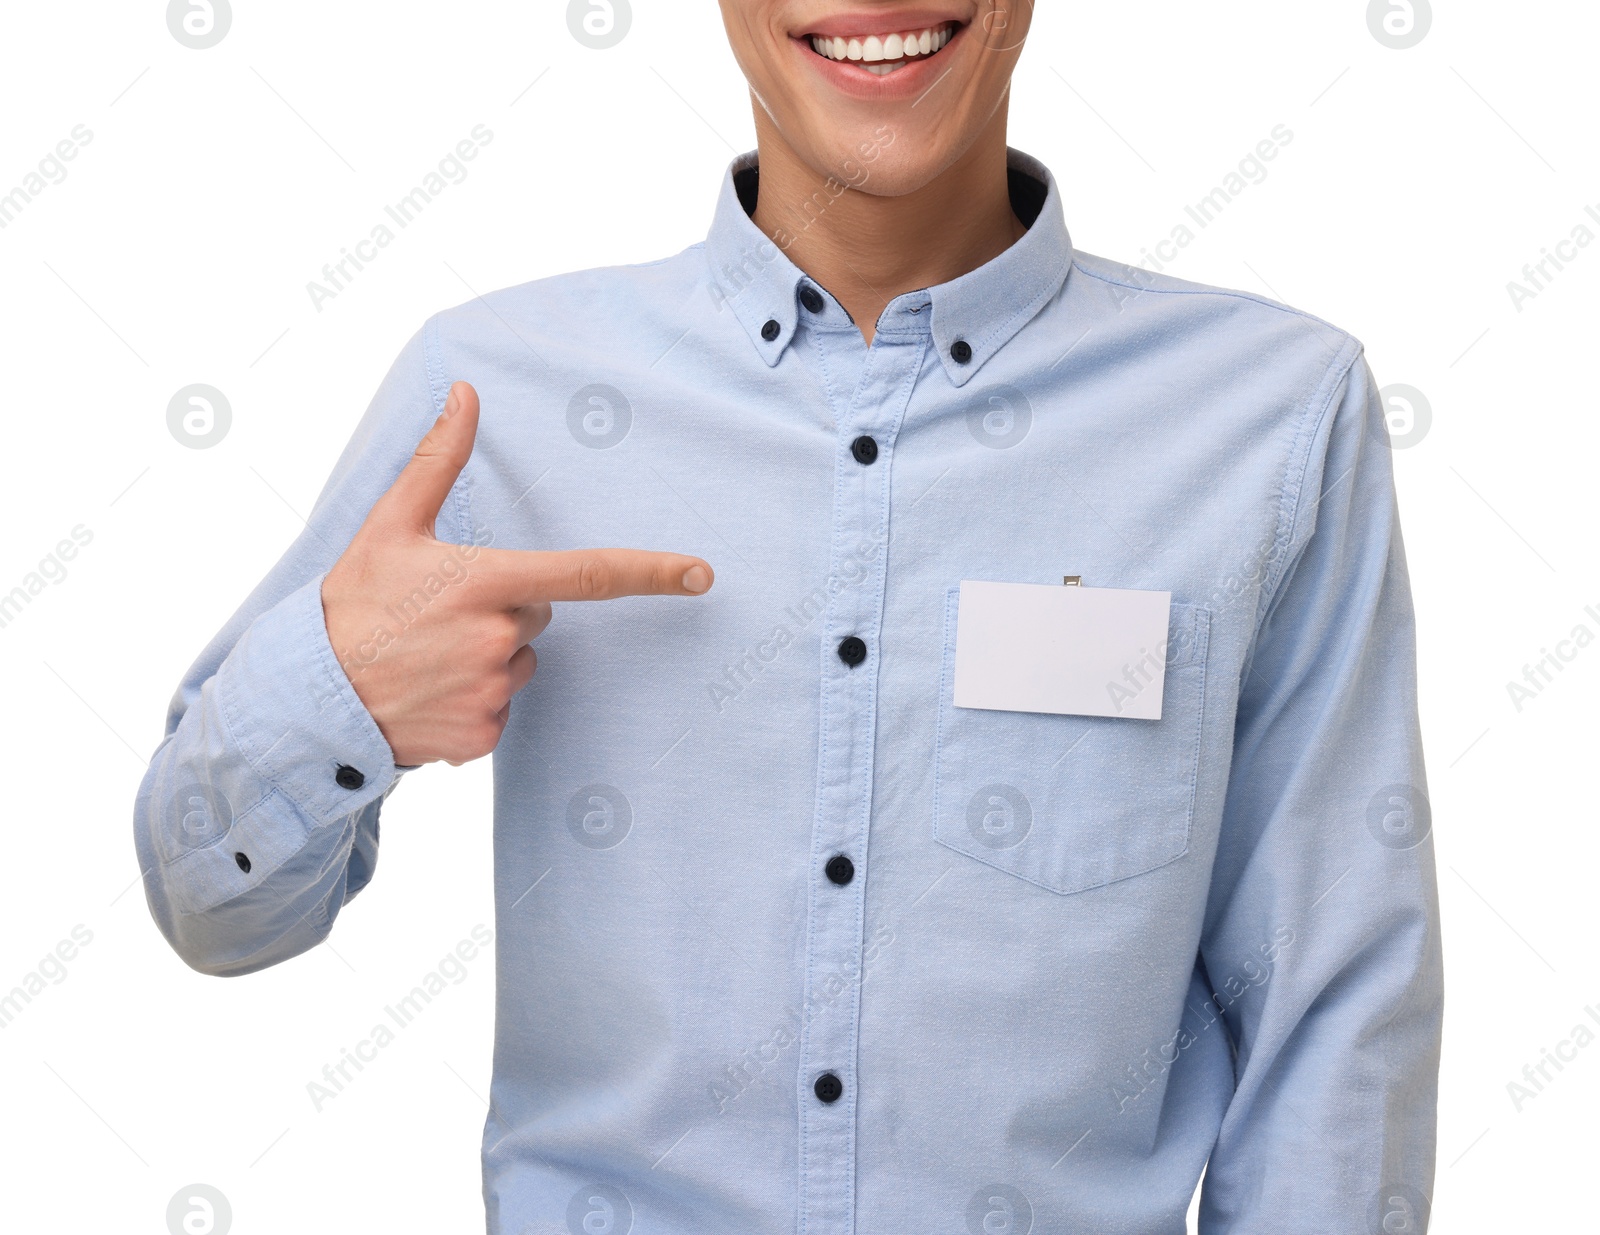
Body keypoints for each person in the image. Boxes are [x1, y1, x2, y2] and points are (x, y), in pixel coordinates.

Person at [133, 2, 1443, 1231]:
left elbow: (1332, 1010)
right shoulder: (496, 396)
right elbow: (215, 912)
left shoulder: (1272, 416)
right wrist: (336, 691)